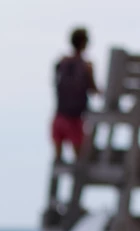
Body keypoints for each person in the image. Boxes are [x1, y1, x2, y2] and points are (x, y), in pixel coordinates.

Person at [52, 27, 98, 162]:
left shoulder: (61, 62)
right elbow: (93, 90)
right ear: (84, 43)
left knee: (58, 161)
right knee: (80, 162)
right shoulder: (86, 66)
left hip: (59, 116)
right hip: (75, 119)